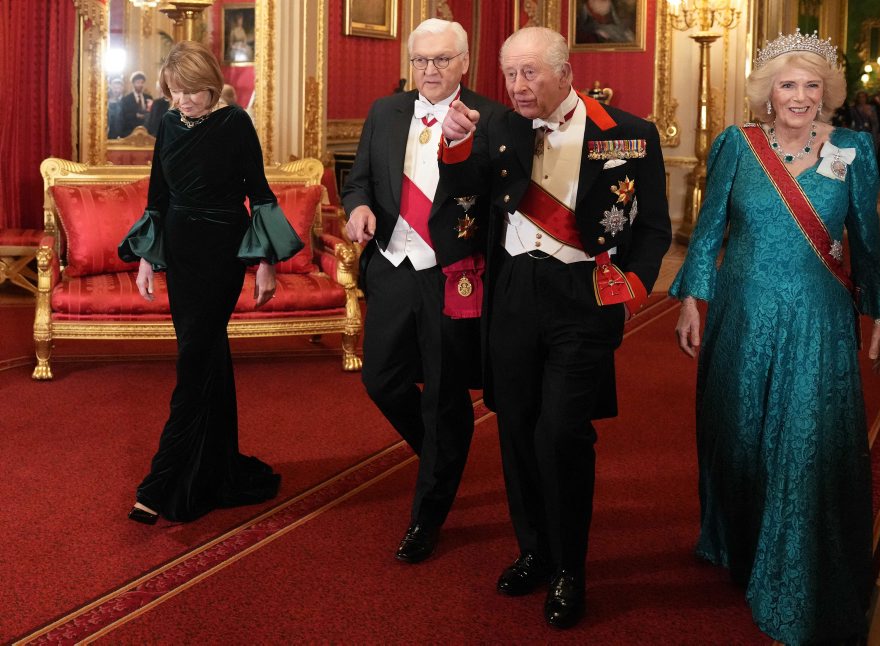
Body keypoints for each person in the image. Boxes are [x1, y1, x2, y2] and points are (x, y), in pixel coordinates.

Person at [670, 30, 880, 644]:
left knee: (804, 443)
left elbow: (867, 241)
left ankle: (797, 567)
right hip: (742, 315)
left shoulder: (850, 149)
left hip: (817, 323)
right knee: (741, 434)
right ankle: (741, 543)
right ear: (766, 94)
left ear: (828, 93)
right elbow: (709, 228)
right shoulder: (738, 145)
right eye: (788, 85)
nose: (800, 97)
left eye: (812, 86)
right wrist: (692, 300)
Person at [441, 26, 670, 628]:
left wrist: (634, 287)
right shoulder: (495, 127)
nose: (517, 86)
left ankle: (570, 568)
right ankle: (535, 551)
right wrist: (455, 148)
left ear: (564, 73)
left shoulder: (628, 134)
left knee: (561, 433)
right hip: (514, 291)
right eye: (509, 73)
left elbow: (652, 226)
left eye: (530, 73)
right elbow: (463, 200)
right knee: (516, 427)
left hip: (582, 295)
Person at [118, 41, 303, 525]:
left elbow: (259, 194)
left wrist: (265, 262)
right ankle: (213, 468)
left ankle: (159, 482)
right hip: (181, 252)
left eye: (191, 91)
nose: (182, 101)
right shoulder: (168, 124)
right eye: (174, 91)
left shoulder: (235, 123)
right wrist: (147, 259)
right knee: (208, 359)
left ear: (211, 86)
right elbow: (157, 196)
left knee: (193, 361)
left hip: (222, 253)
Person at [341, 19, 502, 564]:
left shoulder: (490, 118)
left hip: (450, 273)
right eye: (420, 60)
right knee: (382, 380)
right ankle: (443, 452)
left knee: (442, 393)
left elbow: (499, 200)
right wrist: (358, 208)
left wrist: (469, 145)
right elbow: (358, 180)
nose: (429, 70)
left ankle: (427, 515)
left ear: (464, 62)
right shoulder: (385, 111)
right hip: (392, 265)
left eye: (441, 60)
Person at [119, 71, 152, 137]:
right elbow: (124, 116)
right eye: (138, 82)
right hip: (130, 132)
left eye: (142, 82)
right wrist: (136, 115)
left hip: (146, 132)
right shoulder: (126, 99)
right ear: (133, 84)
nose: (140, 85)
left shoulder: (148, 97)